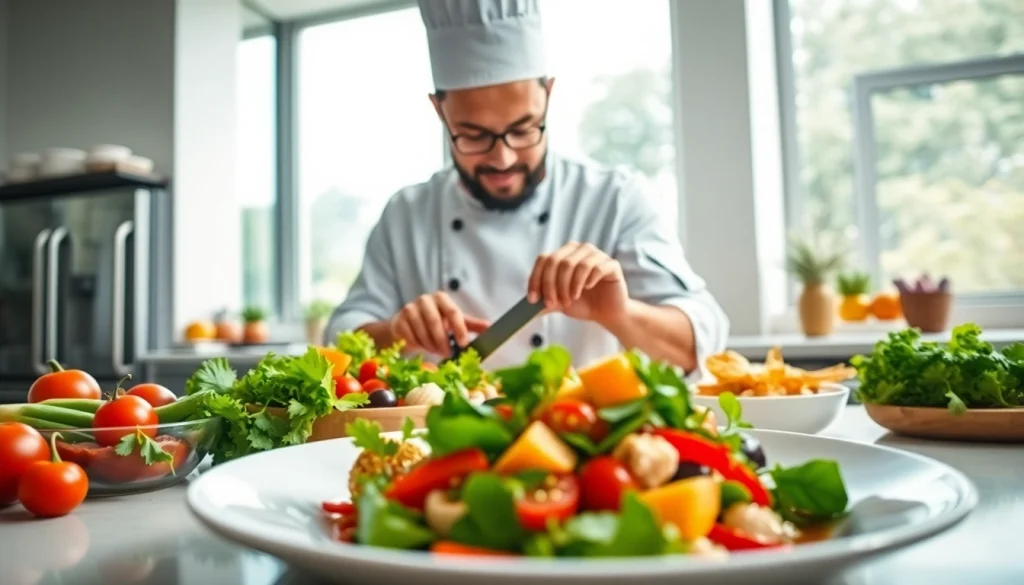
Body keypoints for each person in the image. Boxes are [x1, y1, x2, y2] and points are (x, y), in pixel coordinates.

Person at [325, 0, 729, 377]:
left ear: (548, 96)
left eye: (522, 129)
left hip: (576, 441)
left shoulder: (615, 199)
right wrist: (396, 330)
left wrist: (620, 313)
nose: (502, 159)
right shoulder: (406, 214)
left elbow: (704, 338)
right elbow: (338, 338)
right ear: (439, 111)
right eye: (473, 135)